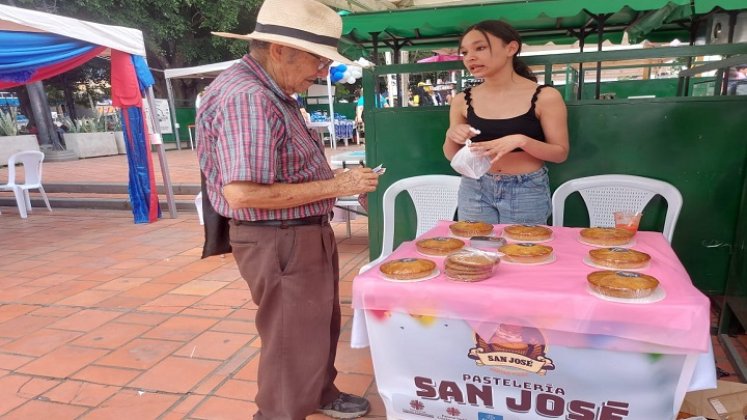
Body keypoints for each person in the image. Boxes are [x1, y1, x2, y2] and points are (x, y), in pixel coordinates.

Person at [196, 0, 379, 418]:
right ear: (279, 49)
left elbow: (283, 168)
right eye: (318, 59)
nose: (320, 71)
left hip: (298, 232)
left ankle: (318, 392)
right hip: (280, 238)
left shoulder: (272, 90)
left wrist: (338, 185)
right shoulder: (249, 97)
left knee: (314, 326)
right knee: (291, 339)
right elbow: (243, 193)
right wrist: (336, 185)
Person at [443, 20, 569, 224]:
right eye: (465, 52)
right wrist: (452, 134)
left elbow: (560, 153)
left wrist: (522, 141)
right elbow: (452, 155)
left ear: (511, 48)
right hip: (475, 186)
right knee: (477, 252)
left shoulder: (545, 96)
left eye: (480, 48)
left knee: (523, 252)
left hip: (527, 188)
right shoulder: (462, 100)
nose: (470, 57)